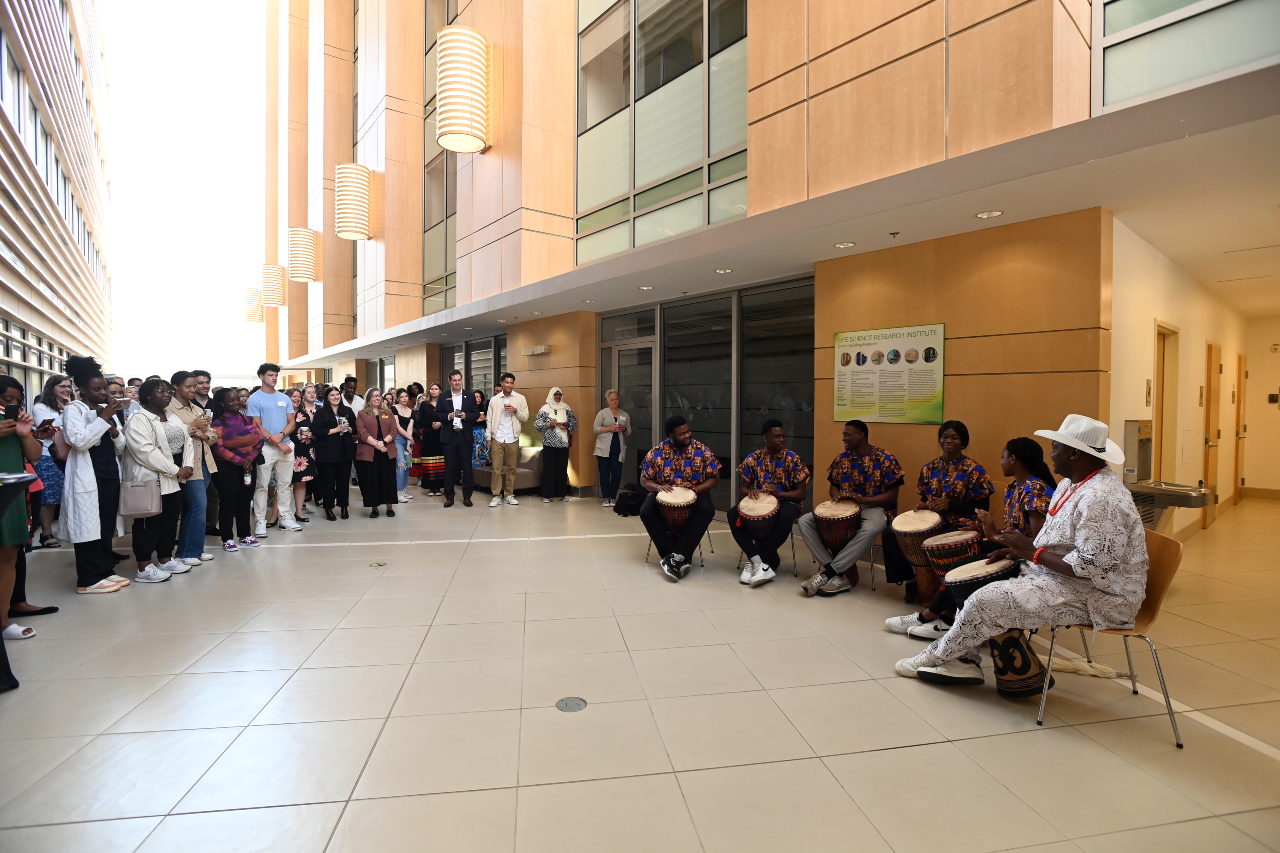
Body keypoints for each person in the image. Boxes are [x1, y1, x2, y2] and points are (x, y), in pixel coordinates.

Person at [896, 414, 1148, 686]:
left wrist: (1032, 554)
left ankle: (940, 657)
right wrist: (1021, 552)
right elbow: (1056, 540)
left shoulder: (1102, 499)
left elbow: (1093, 568)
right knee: (973, 580)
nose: (1050, 454)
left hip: (1101, 598)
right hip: (1059, 576)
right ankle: (965, 660)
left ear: (1074, 453)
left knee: (985, 599)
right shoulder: (1069, 485)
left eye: (1056, 447)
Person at [888, 437, 1056, 640]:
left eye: (1002, 457)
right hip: (1015, 550)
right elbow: (1017, 531)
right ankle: (945, 618)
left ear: (1013, 459)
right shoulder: (1015, 487)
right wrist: (983, 529)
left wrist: (993, 534)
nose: (1000, 461)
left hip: (1030, 561)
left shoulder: (1034, 490)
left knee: (958, 566)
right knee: (957, 561)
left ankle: (928, 618)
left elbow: (1038, 542)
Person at [798, 420, 905, 597]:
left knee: (870, 528)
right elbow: (833, 485)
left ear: (860, 435)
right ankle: (836, 572)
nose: (843, 438)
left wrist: (864, 499)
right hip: (845, 507)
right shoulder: (842, 458)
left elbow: (893, 495)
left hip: (875, 507)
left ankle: (828, 574)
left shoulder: (885, 458)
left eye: (847, 434)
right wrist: (836, 496)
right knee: (805, 521)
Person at [59, 356, 130, 594]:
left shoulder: (105, 410)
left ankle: (105, 571)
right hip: (87, 475)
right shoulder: (73, 409)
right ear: (82, 390)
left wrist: (112, 429)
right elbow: (79, 441)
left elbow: (121, 446)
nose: (103, 393)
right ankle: (87, 579)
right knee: (88, 525)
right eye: (97, 389)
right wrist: (101, 420)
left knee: (105, 525)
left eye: (104, 389)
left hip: (109, 473)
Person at [123, 379, 195, 583]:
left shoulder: (172, 416)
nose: (166, 395)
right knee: (148, 523)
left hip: (174, 478)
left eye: (169, 391)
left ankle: (165, 558)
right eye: (160, 391)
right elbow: (145, 451)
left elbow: (187, 440)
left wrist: (188, 465)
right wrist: (176, 470)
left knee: (169, 521)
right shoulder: (139, 419)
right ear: (146, 395)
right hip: (151, 478)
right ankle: (144, 567)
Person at [728, 419, 810, 588]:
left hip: (786, 502)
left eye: (783, 436)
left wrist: (778, 493)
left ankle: (756, 561)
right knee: (732, 513)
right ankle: (760, 563)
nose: (781, 440)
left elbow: (802, 494)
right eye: (777, 437)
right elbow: (742, 489)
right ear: (765, 438)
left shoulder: (793, 459)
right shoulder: (753, 459)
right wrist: (750, 491)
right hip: (760, 504)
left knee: (786, 513)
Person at [639, 416, 721, 582]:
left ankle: (677, 556)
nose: (687, 435)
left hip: (696, 492)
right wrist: (658, 487)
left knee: (707, 510)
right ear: (671, 434)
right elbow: (644, 479)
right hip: (662, 493)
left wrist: (697, 489)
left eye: (688, 431)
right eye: (682, 433)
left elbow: (715, 478)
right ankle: (675, 556)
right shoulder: (657, 452)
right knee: (646, 511)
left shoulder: (701, 450)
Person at [0, 377, 50, 638]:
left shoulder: (16, 422)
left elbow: (33, 456)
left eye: (16, 400)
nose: (11, 405)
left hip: (12, 491)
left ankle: (4, 620)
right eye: (6, 400)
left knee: (9, 555)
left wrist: (23, 433)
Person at [168, 371, 219, 566]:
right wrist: (192, 427)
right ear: (175, 387)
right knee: (197, 506)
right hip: (188, 463)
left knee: (198, 507)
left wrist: (204, 435)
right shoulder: (169, 407)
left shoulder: (195, 406)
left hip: (204, 461)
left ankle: (195, 549)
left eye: (194, 386)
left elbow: (212, 433)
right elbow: (170, 435)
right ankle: (186, 551)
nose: (193, 389)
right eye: (188, 386)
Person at [247, 363, 302, 535]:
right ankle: (260, 521)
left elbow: (292, 422)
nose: (274, 378)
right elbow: (256, 426)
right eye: (270, 375)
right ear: (261, 377)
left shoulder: (284, 398)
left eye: (276, 375)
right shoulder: (254, 399)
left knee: (285, 484)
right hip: (265, 447)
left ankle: (285, 518)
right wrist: (278, 442)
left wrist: (280, 435)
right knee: (262, 485)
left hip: (285, 444)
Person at [209, 387, 264, 550]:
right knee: (228, 502)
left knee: (245, 500)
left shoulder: (250, 420)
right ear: (222, 403)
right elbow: (218, 448)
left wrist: (249, 459)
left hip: (249, 466)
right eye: (230, 400)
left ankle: (245, 535)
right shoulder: (218, 423)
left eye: (237, 399)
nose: (236, 403)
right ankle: (227, 538)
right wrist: (240, 461)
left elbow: (259, 441)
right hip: (227, 468)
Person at [914, 420, 995, 525]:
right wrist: (925, 504)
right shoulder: (928, 468)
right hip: (933, 521)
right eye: (945, 437)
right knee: (891, 533)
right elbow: (925, 497)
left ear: (963, 442)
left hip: (962, 523)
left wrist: (950, 505)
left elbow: (983, 507)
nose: (949, 440)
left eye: (954, 438)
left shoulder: (975, 470)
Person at [32, 374, 72, 548]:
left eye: (69, 386)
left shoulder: (73, 405)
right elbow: (48, 427)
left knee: (68, 494)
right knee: (49, 497)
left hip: (72, 455)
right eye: (62, 386)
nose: (66, 389)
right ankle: (46, 532)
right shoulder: (40, 407)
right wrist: (69, 413)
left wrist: (70, 408)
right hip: (49, 455)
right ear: (52, 387)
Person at [434, 370, 478, 507]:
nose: (457, 383)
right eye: (454, 380)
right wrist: (448, 416)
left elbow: (476, 414)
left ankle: (467, 496)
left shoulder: (470, 396)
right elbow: (436, 414)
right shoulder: (443, 396)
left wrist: (467, 416)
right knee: (450, 468)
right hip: (449, 436)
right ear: (450, 381)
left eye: (459, 380)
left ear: (462, 380)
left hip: (464, 436)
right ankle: (449, 497)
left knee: (467, 467)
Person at [313, 386, 357, 519]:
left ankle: (344, 507)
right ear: (327, 397)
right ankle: (328, 508)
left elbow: (356, 429)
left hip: (345, 451)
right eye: (332, 395)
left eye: (337, 394)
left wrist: (348, 428)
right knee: (328, 482)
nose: (336, 397)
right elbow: (316, 431)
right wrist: (335, 429)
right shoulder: (321, 412)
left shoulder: (347, 410)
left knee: (344, 481)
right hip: (327, 452)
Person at [485, 372, 528, 507]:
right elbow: (489, 420)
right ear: (502, 383)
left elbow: (525, 417)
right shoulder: (495, 399)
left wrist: (516, 411)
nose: (509, 385)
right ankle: (496, 495)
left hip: (512, 437)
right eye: (507, 382)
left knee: (512, 468)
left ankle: (509, 494)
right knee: (496, 469)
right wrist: (488, 437)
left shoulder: (520, 398)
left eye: (512, 383)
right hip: (497, 437)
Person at [355, 389, 398, 517]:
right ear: (369, 398)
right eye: (374, 396)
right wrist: (377, 444)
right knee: (372, 481)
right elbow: (361, 432)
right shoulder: (362, 414)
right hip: (370, 452)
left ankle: (389, 507)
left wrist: (383, 442)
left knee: (388, 479)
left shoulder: (388, 412)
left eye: (379, 396)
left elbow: (394, 431)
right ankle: (374, 508)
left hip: (387, 451)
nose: (377, 398)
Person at [535, 387, 577, 502]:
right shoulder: (545, 408)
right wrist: (549, 424)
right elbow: (537, 425)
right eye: (555, 394)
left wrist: (566, 425)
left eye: (559, 394)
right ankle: (547, 495)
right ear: (551, 395)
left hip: (563, 443)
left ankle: (563, 494)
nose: (558, 396)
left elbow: (574, 423)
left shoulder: (566, 407)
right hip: (549, 443)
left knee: (562, 468)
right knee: (549, 469)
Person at [593, 390, 630, 507]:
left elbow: (629, 432)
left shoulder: (624, 414)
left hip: (617, 449)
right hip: (603, 448)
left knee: (617, 473)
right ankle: (606, 497)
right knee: (604, 473)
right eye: (612, 399)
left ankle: (613, 496)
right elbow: (596, 429)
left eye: (616, 399)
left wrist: (623, 429)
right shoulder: (602, 413)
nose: (615, 401)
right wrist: (610, 428)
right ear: (608, 401)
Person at [288, 386, 318, 521]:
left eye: (298, 396)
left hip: (304, 453)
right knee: (284, 484)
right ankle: (278, 514)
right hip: (287, 451)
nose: (296, 399)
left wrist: (311, 435)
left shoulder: (307, 414)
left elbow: (316, 432)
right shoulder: (282, 414)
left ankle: (299, 512)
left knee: (301, 482)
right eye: (293, 396)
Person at [415, 384, 445, 494]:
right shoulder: (424, 404)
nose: (433, 391)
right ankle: (431, 488)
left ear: (440, 391)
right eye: (432, 389)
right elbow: (421, 420)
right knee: (429, 461)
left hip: (441, 436)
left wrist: (440, 423)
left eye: (436, 389)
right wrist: (431, 424)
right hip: (428, 435)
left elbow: (448, 418)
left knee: (440, 461)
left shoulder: (444, 404)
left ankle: (438, 487)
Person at [392, 389, 417, 503]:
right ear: (397, 398)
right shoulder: (393, 409)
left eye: (406, 396)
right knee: (401, 464)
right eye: (401, 397)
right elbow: (397, 426)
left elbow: (410, 428)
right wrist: (410, 438)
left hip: (407, 439)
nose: (404, 398)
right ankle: (397, 492)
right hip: (397, 439)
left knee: (407, 465)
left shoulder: (411, 411)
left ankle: (403, 491)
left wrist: (408, 442)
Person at [471, 390, 489, 469]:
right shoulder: (469, 409)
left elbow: (487, 424)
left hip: (482, 433)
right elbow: (466, 422)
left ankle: (482, 471)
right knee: (474, 453)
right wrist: (476, 420)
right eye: (476, 397)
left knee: (483, 452)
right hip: (473, 433)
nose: (478, 399)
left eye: (480, 397)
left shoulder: (484, 408)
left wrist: (485, 420)